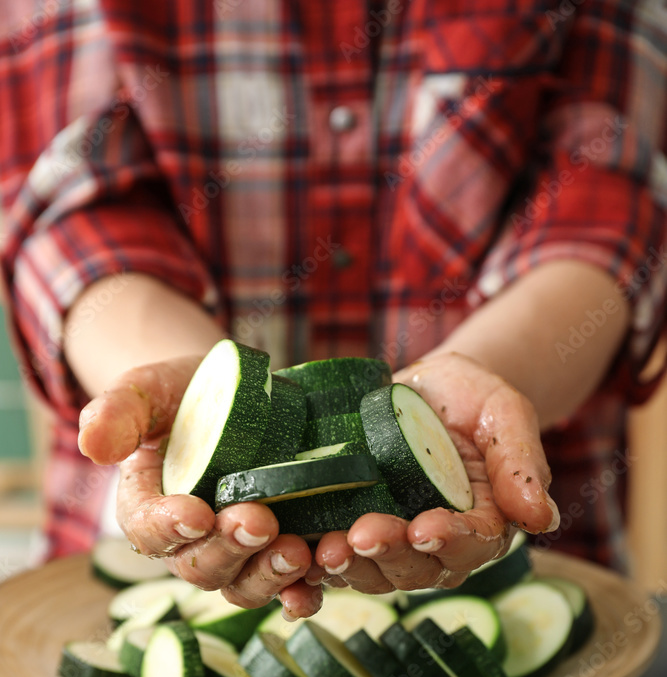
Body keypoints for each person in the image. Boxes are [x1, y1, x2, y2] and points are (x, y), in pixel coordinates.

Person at [1, 1, 665, 621]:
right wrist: (167, 387)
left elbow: (603, 199)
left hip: (533, 569)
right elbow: (72, 209)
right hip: (118, 576)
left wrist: (495, 379)